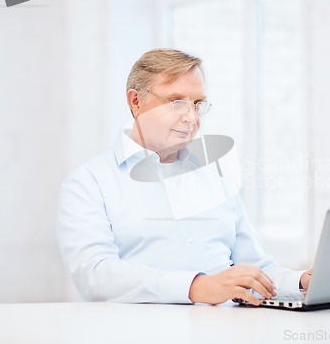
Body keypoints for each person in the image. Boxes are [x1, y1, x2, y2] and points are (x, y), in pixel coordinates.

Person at [57, 48, 311, 306]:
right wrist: (195, 287)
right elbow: (95, 275)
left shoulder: (218, 183)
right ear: (136, 102)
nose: (191, 117)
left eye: (198, 104)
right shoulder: (89, 183)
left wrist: (300, 281)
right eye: (177, 102)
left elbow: (253, 268)